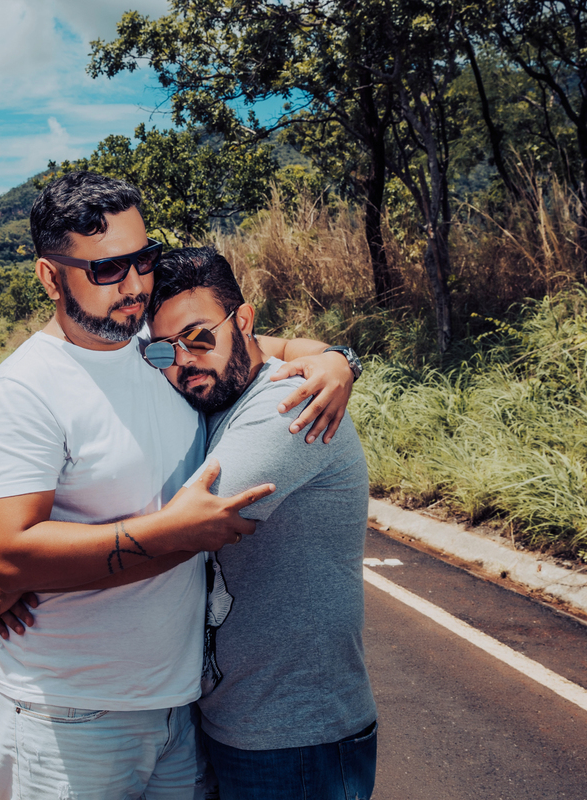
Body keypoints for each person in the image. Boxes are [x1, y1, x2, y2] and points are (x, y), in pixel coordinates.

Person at [0, 170, 358, 800]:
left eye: (142, 260)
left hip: (179, 709)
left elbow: (250, 342)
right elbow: (10, 550)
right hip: (71, 712)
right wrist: (15, 568)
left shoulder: (150, 343)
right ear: (49, 276)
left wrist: (338, 359)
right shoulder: (25, 390)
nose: (134, 285)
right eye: (106, 269)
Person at [145, 246, 377, 800]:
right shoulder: (221, 389)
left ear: (242, 320)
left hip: (296, 741)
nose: (184, 361)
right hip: (237, 724)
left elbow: (178, 532)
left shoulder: (287, 406)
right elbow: (269, 345)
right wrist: (337, 354)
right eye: (163, 350)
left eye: (200, 338)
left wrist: (25, 568)